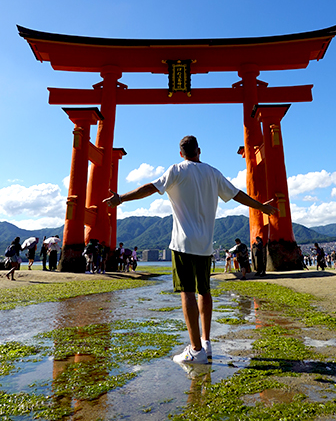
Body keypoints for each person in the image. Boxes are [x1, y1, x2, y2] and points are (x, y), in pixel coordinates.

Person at [104, 135, 277, 365]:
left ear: (181, 153)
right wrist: (261, 206)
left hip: (183, 244)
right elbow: (237, 194)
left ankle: (195, 350)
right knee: (204, 292)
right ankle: (206, 343)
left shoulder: (176, 170)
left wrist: (121, 199)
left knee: (187, 292)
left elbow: (150, 188)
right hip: (205, 245)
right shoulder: (213, 173)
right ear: (199, 151)